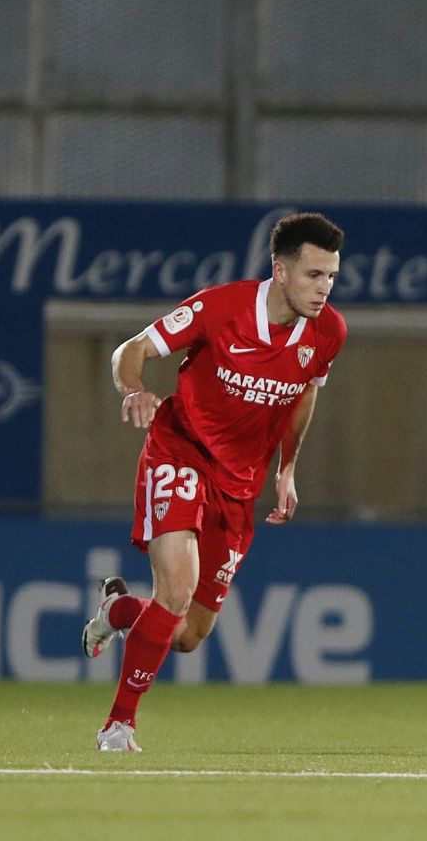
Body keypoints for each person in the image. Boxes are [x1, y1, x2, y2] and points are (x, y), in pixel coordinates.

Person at [83, 213, 349, 752]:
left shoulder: (328, 333)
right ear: (280, 270)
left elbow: (305, 394)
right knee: (176, 589)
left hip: (238, 485)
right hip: (179, 453)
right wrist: (133, 388)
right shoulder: (220, 307)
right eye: (313, 275)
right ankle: (118, 726)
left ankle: (117, 610)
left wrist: (288, 469)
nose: (323, 288)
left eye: (331, 277)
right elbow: (130, 349)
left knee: (185, 636)